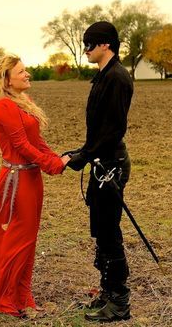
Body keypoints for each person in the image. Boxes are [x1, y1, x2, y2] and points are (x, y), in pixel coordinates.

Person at [0, 54, 70, 317]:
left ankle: (23, 297)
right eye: (22, 72)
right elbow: (22, 147)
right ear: (7, 80)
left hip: (32, 178)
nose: (27, 75)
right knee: (18, 240)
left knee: (29, 240)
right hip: (17, 181)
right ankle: (5, 298)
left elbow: (36, 140)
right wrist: (52, 164)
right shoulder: (3, 108)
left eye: (26, 71)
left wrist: (56, 158)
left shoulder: (23, 103)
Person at [65, 21, 133, 322]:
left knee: (109, 232)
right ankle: (107, 293)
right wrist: (83, 152)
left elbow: (113, 130)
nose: (86, 50)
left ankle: (119, 303)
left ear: (105, 44)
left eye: (90, 44)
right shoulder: (103, 76)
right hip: (100, 162)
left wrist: (83, 156)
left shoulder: (117, 77)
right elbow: (97, 131)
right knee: (101, 231)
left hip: (111, 165)